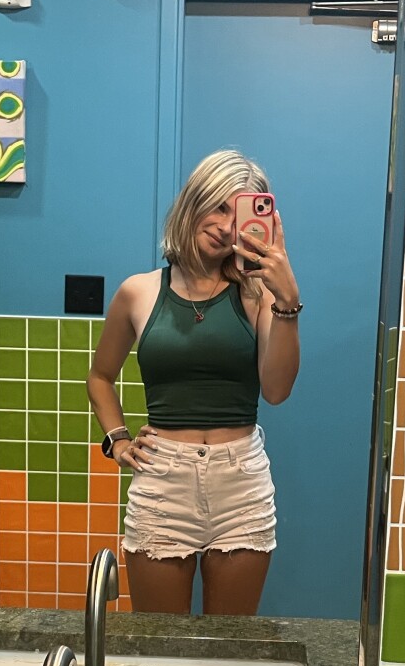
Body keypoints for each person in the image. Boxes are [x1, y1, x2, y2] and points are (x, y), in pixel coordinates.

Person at [87, 149, 302, 615]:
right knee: (160, 644)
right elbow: (100, 376)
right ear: (193, 200)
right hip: (163, 480)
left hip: (240, 483)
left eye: (238, 216)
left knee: (232, 645)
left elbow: (276, 390)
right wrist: (117, 441)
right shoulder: (139, 292)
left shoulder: (257, 293)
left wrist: (287, 300)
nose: (225, 227)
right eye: (218, 207)